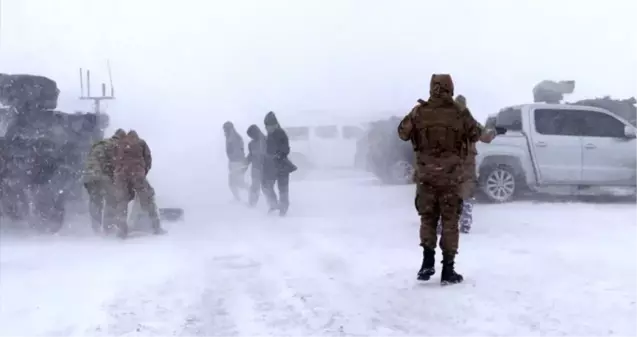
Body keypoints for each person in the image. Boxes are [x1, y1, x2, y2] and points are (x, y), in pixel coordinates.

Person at [397, 74, 492, 285]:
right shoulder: (460, 113)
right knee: (450, 222)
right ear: (450, 88)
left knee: (427, 219)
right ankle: (448, 270)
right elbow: (477, 133)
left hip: (426, 178)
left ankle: (427, 262)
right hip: (451, 179)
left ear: (432, 88)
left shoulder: (419, 112)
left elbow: (402, 133)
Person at [111, 130, 164, 238]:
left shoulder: (118, 144)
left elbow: (113, 160)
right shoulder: (140, 142)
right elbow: (148, 159)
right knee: (148, 199)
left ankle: (121, 231)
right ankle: (156, 227)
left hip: (121, 175)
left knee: (122, 201)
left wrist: (119, 172)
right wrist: (142, 172)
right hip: (137, 173)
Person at [455, 95, 495, 233]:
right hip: (467, 162)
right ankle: (465, 222)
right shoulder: (471, 122)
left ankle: (441, 225)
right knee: (466, 192)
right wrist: (493, 131)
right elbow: (486, 137)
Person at [83, 128, 126, 233]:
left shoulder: (101, 143)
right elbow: (114, 163)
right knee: (112, 198)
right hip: (100, 174)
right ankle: (108, 228)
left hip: (89, 175)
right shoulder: (115, 144)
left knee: (95, 201)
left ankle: (96, 228)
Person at [262, 111, 296, 216]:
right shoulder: (269, 135)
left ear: (275, 124)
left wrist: (278, 155)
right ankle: (274, 205)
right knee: (266, 186)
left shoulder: (280, 133)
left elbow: (286, 149)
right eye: (266, 126)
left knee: (283, 189)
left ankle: (283, 209)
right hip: (271, 166)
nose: (267, 128)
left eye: (269, 126)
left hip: (281, 165)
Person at [223, 121, 247, 201]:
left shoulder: (236, 138)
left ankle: (254, 193)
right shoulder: (228, 137)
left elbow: (239, 151)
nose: (224, 131)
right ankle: (237, 198)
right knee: (235, 183)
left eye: (226, 129)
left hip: (238, 162)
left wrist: (240, 162)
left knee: (239, 183)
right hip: (233, 162)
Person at [245, 124, 267, 207]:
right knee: (254, 187)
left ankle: (272, 204)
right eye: (250, 136)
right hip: (256, 169)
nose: (252, 137)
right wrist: (245, 162)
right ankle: (252, 204)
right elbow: (250, 155)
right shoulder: (251, 144)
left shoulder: (267, 140)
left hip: (266, 169)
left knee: (267, 188)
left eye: (252, 135)